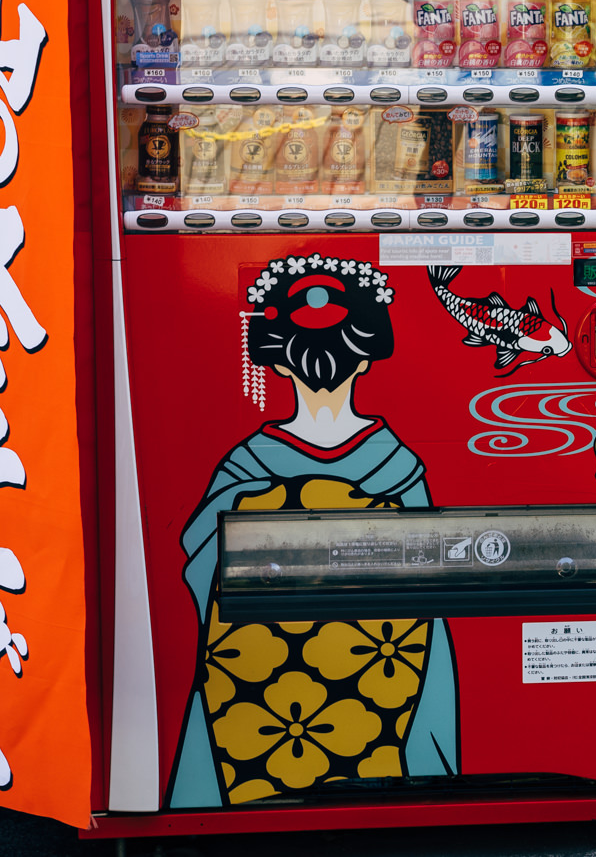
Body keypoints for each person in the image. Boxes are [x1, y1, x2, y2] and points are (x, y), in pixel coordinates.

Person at [167, 254, 458, 807]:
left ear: (275, 363)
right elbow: (433, 586)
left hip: (255, 692)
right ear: (369, 359)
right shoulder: (397, 464)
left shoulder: (246, 464)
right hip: (383, 679)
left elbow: (198, 555)